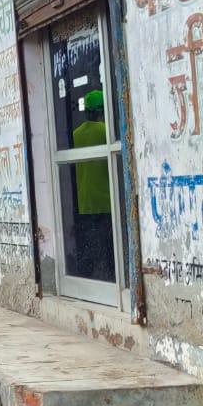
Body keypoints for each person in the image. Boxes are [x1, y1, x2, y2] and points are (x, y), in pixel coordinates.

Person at [73, 90, 114, 281]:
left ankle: (89, 276)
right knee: (109, 243)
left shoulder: (76, 134)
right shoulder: (107, 131)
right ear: (102, 109)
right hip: (106, 198)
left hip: (84, 199)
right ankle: (111, 274)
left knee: (89, 242)